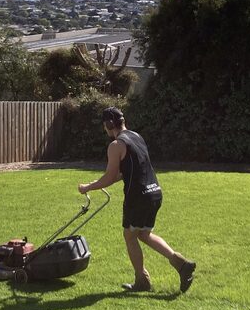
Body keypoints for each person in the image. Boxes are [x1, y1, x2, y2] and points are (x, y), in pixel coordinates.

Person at [78, 107, 196, 293]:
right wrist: (96, 182)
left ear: (109, 125)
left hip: (138, 197)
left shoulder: (116, 146)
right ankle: (180, 263)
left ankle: (142, 280)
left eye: (105, 125)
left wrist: (88, 187)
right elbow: (126, 172)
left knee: (130, 235)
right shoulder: (136, 137)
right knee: (143, 234)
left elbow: (110, 177)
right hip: (155, 192)